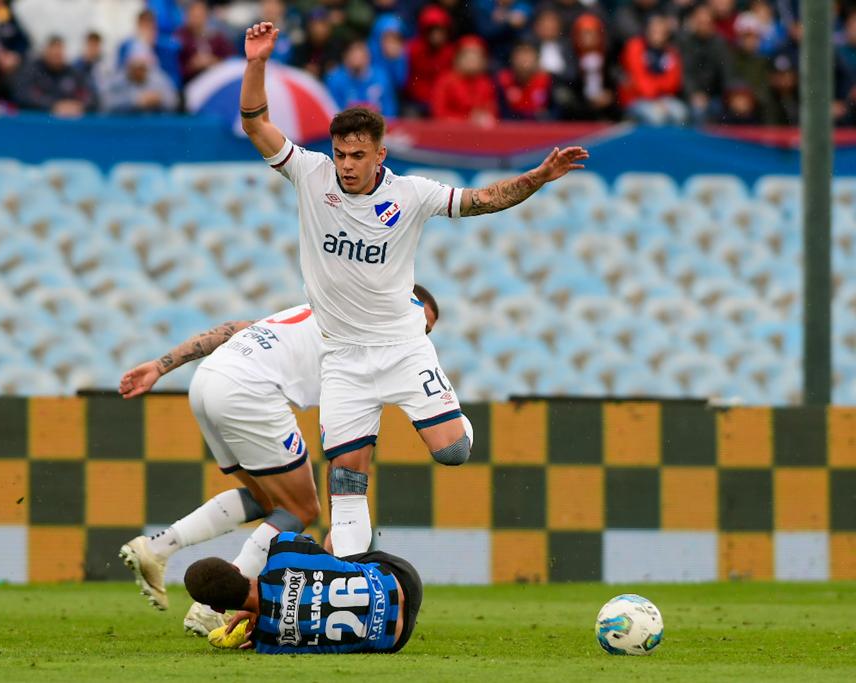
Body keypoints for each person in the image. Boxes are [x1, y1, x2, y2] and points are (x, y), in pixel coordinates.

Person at [240, 21, 587, 558]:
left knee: (452, 453)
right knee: (347, 483)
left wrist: (537, 177)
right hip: (342, 360)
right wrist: (257, 62)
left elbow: (483, 200)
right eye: (340, 154)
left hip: (403, 348)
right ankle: (351, 576)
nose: (346, 165)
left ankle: (451, 417)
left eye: (357, 155)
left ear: (380, 154)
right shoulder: (310, 176)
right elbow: (256, 123)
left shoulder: (413, 194)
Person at [117, 289, 441, 633]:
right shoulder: (368, 344)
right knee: (301, 509)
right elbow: (346, 457)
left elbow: (233, 330)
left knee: (267, 501)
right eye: (421, 323)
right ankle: (213, 608)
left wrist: (160, 365)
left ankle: (157, 548)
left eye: (427, 332)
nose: (419, 334)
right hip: (248, 390)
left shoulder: (327, 307)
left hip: (209, 379)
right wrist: (342, 527)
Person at [184, 532, 422, 654]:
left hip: (395, 638)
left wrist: (265, 616)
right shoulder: (283, 548)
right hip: (401, 578)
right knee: (326, 562)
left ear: (219, 609)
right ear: (236, 568)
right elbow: (317, 552)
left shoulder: (267, 643)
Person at [618, 14, 687, 126]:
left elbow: (673, 82)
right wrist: (655, 97)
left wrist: (659, 97)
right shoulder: (634, 47)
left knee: (681, 113)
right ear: (646, 30)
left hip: (663, 98)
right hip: (635, 98)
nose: (657, 34)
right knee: (656, 118)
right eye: (654, 30)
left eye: (661, 31)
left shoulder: (671, 52)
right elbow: (638, 79)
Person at [14, 35, 96, 117]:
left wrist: (78, 106)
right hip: (38, 122)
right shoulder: (31, 71)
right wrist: (53, 105)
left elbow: (91, 98)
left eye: (59, 53)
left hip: (70, 123)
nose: (56, 55)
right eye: (53, 53)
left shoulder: (74, 73)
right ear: (45, 51)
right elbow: (21, 95)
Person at [679, 3, 733, 124]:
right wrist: (694, 94)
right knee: (698, 111)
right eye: (700, 22)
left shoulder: (720, 43)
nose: (704, 26)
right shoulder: (686, 42)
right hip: (693, 96)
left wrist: (728, 97)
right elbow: (685, 73)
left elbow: (727, 74)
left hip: (715, 96)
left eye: (707, 22)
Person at [430, 35, 498, 125]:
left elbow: (491, 114)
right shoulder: (445, 81)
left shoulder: (486, 84)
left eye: (477, 56)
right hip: (450, 134)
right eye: (467, 55)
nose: (472, 60)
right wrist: (468, 121)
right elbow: (438, 115)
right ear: (457, 58)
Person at [101, 40, 177, 114]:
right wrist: (134, 101)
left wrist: (158, 99)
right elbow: (105, 102)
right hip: (122, 125)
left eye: (141, 67)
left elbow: (173, 101)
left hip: (153, 125)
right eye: (135, 67)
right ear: (129, 65)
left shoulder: (159, 78)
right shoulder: (118, 79)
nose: (138, 72)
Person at [325, 39, 396, 118]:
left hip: (376, 126)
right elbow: (331, 109)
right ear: (345, 58)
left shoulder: (381, 77)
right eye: (353, 55)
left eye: (360, 56)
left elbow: (389, 108)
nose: (357, 59)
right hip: (347, 126)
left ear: (368, 57)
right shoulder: (335, 79)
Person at [404, 5, 455, 115]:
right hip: (416, 102)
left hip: (442, 102)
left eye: (440, 31)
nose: (436, 35)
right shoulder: (413, 50)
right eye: (432, 31)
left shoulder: (451, 52)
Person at [176, 0, 232, 84]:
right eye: (193, 15)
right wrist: (193, 65)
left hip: (218, 79)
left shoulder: (217, 37)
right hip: (192, 82)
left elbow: (231, 60)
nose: (197, 19)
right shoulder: (180, 38)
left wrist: (214, 61)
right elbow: (176, 69)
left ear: (206, 16)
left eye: (200, 15)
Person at [497, 42, 552, 120]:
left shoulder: (548, 81)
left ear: (537, 60)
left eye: (528, 55)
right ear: (512, 59)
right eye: (520, 55)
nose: (524, 60)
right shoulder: (502, 81)